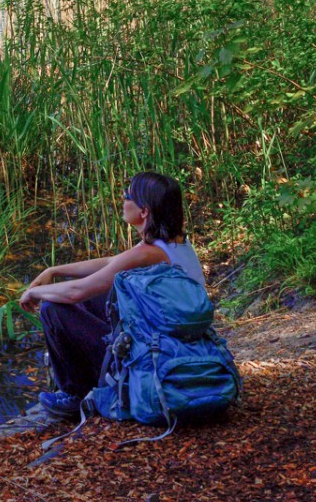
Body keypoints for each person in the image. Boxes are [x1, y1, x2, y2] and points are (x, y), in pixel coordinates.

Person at [18, 171, 205, 419]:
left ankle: (77, 394)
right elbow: (111, 262)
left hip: (153, 360)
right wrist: (53, 270)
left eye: (128, 195)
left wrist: (35, 292)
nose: (122, 198)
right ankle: (89, 382)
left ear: (144, 211)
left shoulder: (151, 253)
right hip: (171, 346)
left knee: (53, 309)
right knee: (102, 295)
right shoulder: (174, 242)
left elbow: (76, 292)